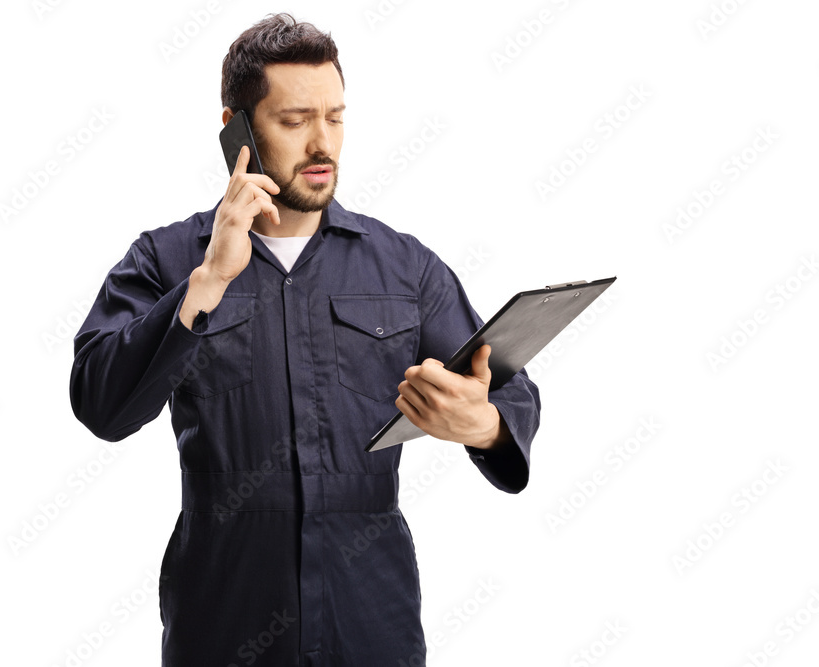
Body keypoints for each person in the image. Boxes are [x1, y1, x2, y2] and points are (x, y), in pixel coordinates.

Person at [69, 12, 541, 666]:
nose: (323, 144)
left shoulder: (405, 269)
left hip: (373, 633)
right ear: (236, 128)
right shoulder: (167, 259)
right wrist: (207, 283)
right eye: (294, 122)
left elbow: (511, 388)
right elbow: (101, 403)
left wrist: (486, 422)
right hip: (223, 634)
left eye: (336, 117)